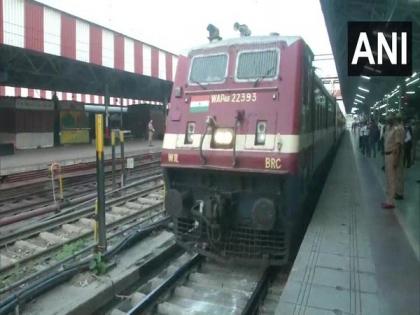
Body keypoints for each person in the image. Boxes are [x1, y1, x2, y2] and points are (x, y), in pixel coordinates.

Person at [382, 114, 398, 209]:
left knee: (391, 179)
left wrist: (395, 160)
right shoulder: (388, 129)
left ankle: (391, 202)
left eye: (389, 120)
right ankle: (388, 200)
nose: (387, 121)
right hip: (386, 155)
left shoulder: (395, 130)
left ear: (393, 120)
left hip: (392, 155)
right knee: (388, 178)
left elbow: (397, 146)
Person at [394, 114, 405, 200]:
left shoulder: (399, 129)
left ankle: (399, 193)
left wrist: (396, 158)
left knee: (398, 174)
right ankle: (399, 192)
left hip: (399, 154)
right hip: (401, 153)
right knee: (399, 173)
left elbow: (398, 145)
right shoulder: (402, 128)